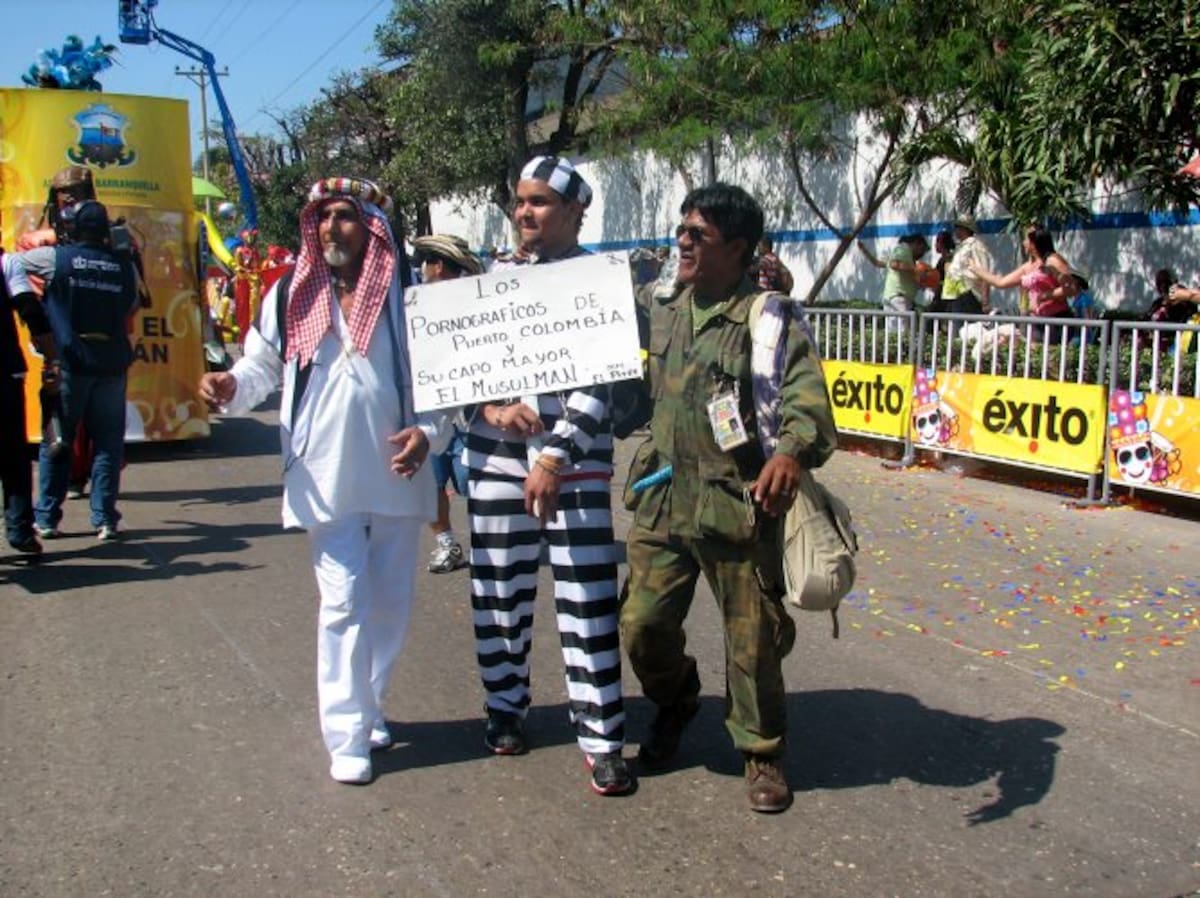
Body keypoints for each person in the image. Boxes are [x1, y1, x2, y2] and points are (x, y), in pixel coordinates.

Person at [198, 177, 447, 785]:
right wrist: (232, 386)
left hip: (397, 467)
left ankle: (369, 704)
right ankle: (347, 734)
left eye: (346, 217)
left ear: (372, 228)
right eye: (325, 216)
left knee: (388, 604)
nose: (334, 228)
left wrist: (430, 434)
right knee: (342, 602)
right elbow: (260, 365)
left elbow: (444, 377)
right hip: (322, 472)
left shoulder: (407, 295)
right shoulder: (289, 294)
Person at [620, 183, 838, 813]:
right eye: (681, 230)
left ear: (738, 248)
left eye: (698, 236)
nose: (682, 243)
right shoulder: (661, 305)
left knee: (753, 640)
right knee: (641, 625)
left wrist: (789, 455)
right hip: (662, 496)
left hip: (735, 503)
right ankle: (676, 701)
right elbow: (584, 312)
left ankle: (762, 750)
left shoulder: (768, 321)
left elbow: (809, 408)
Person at [465, 155, 632, 796]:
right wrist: (491, 408)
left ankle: (602, 738)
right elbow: (464, 364)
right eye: (519, 200)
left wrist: (554, 455)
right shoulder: (490, 278)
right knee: (498, 592)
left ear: (572, 211)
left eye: (538, 202)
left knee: (587, 602)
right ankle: (505, 709)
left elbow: (600, 383)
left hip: (576, 463)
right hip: (495, 457)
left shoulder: (600, 281)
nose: (523, 212)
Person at [18, 201, 139, 541]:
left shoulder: (56, 258)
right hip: (112, 363)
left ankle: (46, 518)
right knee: (108, 444)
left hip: (71, 363)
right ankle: (104, 519)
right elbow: (133, 302)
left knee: (57, 440)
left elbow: (11, 265)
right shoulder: (124, 265)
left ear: (71, 228)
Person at [412, 234, 483, 574]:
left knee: (477, 482)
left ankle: (492, 540)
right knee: (432, 484)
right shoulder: (415, 309)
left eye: (425, 263)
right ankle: (448, 545)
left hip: (471, 415)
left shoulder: (476, 304)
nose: (422, 271)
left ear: (438, 266)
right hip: (430, 412)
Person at [0, 251, 60, 557]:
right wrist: (51, 355)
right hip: (5, 373)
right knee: (12, 456)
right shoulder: (6, 263)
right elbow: (30, 310)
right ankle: (20, 529)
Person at [970, 225, 1072, 322]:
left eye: (1026, 240)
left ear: (1034, 242)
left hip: (1056, 318)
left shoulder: (1052, 260)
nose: (1023, 243)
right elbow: (1001, 282)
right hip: (1036, 319)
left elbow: (1071, 288)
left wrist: (1043, 296)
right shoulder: (1027, 267)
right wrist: (976, 270)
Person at [857, 232, 929, 336]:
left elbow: (877, 263)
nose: (921, 254)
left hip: (897, 298)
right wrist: (915, 269)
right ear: (917, 243)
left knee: (896, 332)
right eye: (922, 249)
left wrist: (864, 250)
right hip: (899, 298)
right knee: (902, 332)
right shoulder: (903, 249)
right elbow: (894, 264)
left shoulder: (905, 256)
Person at [939, 216, 992, 314]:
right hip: (956, 294)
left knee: (970, 327)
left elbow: (984, 273)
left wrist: (985, 300)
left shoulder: (975, 246)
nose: (955, 230)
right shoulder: (961, 247)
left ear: (964, 229)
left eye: (957, 227)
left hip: (970, 295)